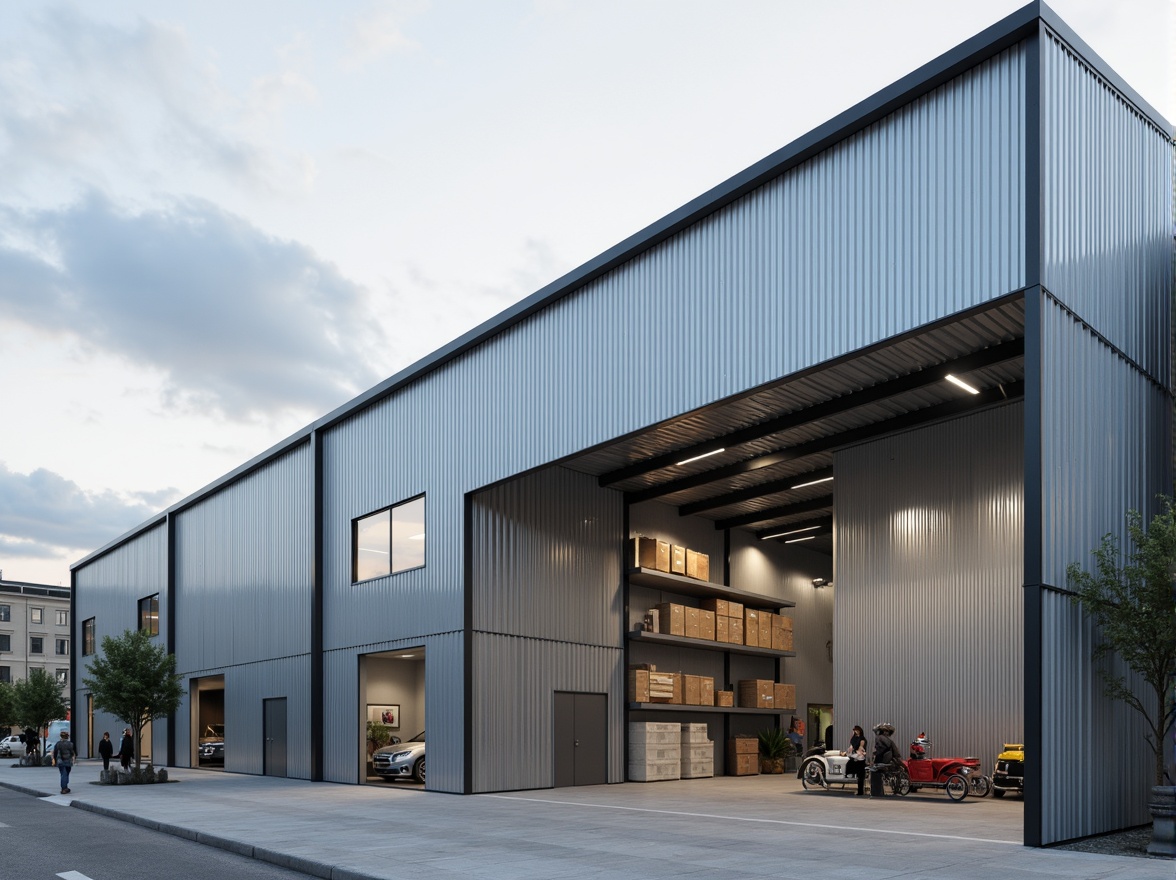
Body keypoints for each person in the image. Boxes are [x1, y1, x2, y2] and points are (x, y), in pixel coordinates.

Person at [870, 722, 899, 796]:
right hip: (888, 758)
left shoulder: (879, 738)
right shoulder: (888, 740)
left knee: (874, 771)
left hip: (882, 759)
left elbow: (879, 750)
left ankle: (876, 792)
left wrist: (874, 758)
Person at [844, 724, 868, 796]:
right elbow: (851, 746)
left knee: (860, 776)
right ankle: (849, 775)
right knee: (851, 767)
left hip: (859, 758)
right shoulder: (853, 738)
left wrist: (858, 752)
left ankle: (860, 791)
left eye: (857, 730)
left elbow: (861, 747)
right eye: (854, 730)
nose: (855, 732)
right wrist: (848, 751)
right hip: (854, 756)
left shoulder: (862, 739)